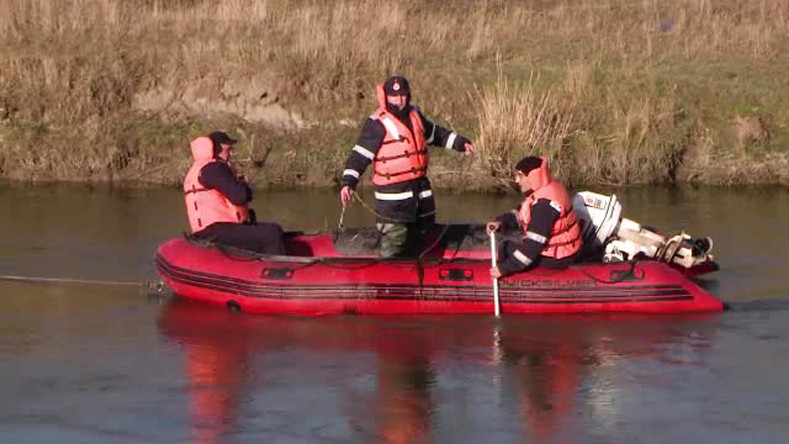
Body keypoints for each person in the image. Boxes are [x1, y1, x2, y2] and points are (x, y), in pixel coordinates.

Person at [339, 76, 475, 258]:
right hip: (393, 198)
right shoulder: (377, 124)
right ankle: (388, 277)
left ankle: (419, 274)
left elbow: (436, 134)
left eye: (403, 95)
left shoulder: (415, 115)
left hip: (420, 191)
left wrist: (460, 143)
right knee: (395, 239)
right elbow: (359, 156)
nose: (399, 99)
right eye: (395, 96)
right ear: (386, 97)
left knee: (422, 235)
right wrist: (348, 182)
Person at [183, 131, 285, 255]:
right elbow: (240, 196)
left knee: (269, 231)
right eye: (228, 149)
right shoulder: (215, 168)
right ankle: (279, 269)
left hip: (209, 231)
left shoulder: (201, 169)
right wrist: (244, 186)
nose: (231, 153)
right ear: (216, 148)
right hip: (216, 231)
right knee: (272, 233)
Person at [487, 156, 582, 278]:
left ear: (532, 177)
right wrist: (502, 222)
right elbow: (522, 212)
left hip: (560, 258)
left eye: (520, 176)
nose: (516, 180)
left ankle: (504, 280)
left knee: (506, 247)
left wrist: (505, 268)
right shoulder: (549, 188)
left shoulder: (544, 206)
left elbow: (533, 246)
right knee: (513, 242)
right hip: (568, 250)